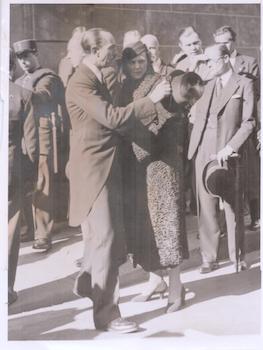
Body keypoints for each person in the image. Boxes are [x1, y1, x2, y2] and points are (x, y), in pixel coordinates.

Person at [65, 28, 171, 333]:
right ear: (96, 51)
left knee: (107, 236)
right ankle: (107, 315)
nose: (115, 54)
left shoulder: (96, 74)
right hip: (94, 169)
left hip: (107, 165)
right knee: (106, 238)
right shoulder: (81, 82)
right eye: (111, 49)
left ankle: (88, 281)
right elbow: (111, 117)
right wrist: (150, 99)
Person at [118, 41, 202, 312]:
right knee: (144, 228)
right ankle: (156, 280)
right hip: (137, 168)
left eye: (141, 60)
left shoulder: (163, 84)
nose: (137, 66)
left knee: (168, 227)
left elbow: (172, 121)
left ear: (150, 59)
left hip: (162, 167)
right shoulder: (124, 88)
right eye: (131, 61)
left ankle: (176, 286)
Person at [188, 44, 256, 274]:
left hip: (228, 150)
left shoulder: (244, 83)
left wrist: (230, 146)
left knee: (232, 206)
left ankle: (237, 255)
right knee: (205, 205)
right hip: (203, 150)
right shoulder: (206, 86)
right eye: (206, 62)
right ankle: (209, 257)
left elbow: (249, 122)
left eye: (212, 61)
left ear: (226, 58)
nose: (208, 66)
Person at [13, 39, 67, 251]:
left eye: (27, 56)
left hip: (43, 138)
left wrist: (13, 91)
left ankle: (43, 234)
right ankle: (31, 229)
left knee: (42, 184)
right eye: (20, 58)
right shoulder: (19, 81)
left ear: (36, 54)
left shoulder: (47, 77)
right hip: (24, 139)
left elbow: (42, 96)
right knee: (27, 186)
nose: (24, 62)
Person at [213, 25, 260, 231]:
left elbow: (257, 97)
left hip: (245, 124)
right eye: (220, 42)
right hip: (224, 127)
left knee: (249, 175)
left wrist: (259, 126)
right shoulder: (214, 65)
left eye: (228, 41)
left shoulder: (248, 62)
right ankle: (225, 225)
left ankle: (256, 216)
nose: (224, 45)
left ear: (234, 40)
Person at [8, 48, 38, 304]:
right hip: (10, 169)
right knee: (9, 230)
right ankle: (5, 288)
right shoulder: (23, 95)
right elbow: (32, 144)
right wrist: (31, 175)